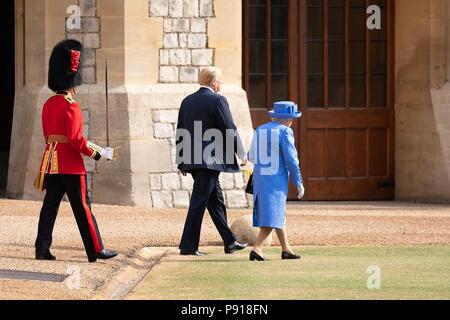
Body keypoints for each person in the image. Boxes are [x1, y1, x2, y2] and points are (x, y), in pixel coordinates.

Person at [34, 39, 118, 263]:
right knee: (83, 208)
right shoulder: (71, 105)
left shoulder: (48, 104)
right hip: (70, 165)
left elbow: (49, 136)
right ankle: (95, 249)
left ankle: (42, 249)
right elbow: (76, 140)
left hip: (51, 162)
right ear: (73, 81)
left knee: (49, 207)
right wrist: (100, 152)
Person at [176, 67, 248, 256]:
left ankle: (230, 242)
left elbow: (180, 131)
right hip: (210, 160)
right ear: (214, 82)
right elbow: (229, 128)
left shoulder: (187, 101)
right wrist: (241, 153)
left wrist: (181, 160)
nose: (221, 85)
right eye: (220, 82)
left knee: (215, 201)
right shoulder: (218, 100)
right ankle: (188, 246)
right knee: (199, 202)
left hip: (193, 160)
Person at [248, 101, 305, 261]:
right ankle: (257, 249)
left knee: (278, 213)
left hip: (260, 178)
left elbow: (251, 156)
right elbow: (292, 160)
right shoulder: (286, 132)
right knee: (273, 215)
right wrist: (298, 181)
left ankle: (286, 249)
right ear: (288, 119)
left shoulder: (259, 129)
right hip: (276, 179)